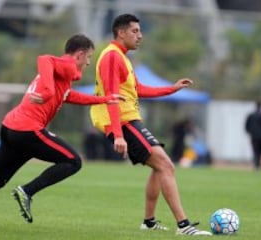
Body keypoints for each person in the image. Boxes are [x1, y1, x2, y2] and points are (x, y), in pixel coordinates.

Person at [0, 34, 123, 228]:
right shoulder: (66, 65)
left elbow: (70, 96)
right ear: (79, 54)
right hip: (27, 130)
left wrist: (104, 99)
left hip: (11, 127)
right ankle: (27, 191)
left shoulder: (63, 72)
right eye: (89, 57)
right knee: (73, 161)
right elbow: (44, 58)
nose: (89, 62)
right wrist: (49, 91)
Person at [90, 13, 211, 236]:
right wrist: (117, 134)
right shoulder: (111, 56)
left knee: (160, 166)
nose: (140, 36)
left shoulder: (122, 57)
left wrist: (172, 88)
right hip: (122, 122)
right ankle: (184, 226)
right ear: (121, 32)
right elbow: (111, 97)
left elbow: (139, 89)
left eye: (140, 31)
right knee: (166, 166)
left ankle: (149, 222)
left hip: (130, 120)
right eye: (135, 31)